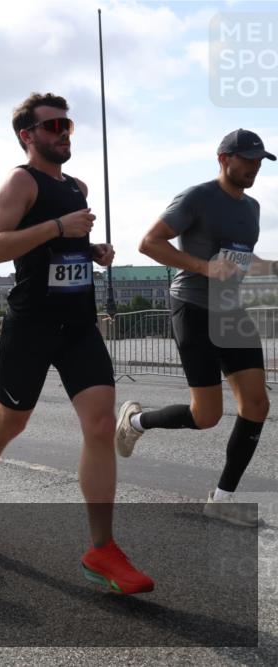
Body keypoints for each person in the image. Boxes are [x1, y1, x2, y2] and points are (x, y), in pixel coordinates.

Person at [0, 93, 154, 595]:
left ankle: (101, 548)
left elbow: (61, 247)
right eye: (53, 125)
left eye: (68, 125)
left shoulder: (78, 186)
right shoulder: (21, 181)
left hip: (79, 324)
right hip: (33, 324)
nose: (64, 132)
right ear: (28, 135)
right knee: (11, 421)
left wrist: (91, 251)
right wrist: (61, 226)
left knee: (102, 425)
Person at [115, 129, 275, 527]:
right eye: (248, 159)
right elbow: (149, 242)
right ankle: (135, 422)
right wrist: (205, 267)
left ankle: (222, 498)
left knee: (257, 404)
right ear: (224, 158)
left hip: (231, 311)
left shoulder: (252, 208)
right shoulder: (197, 197)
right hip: (193, 307)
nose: (254, 166)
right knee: (206, 416)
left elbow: (242, 258)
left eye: (260, 160)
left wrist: (267, 269)